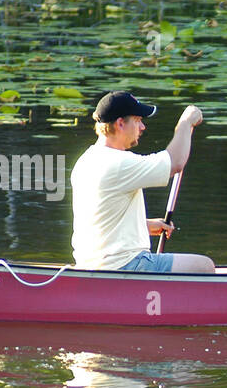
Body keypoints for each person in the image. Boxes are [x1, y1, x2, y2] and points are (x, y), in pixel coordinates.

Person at [70, 90, 215, 273]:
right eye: (138, 120)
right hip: (124, 265)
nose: (143, 127)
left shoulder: (85, 161)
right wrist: (186, 123)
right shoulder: (119, 163)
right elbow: (176, 162)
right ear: (121, 124)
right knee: (204, 266)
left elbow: (99, 219)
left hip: (91, 264)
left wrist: (143, 225)